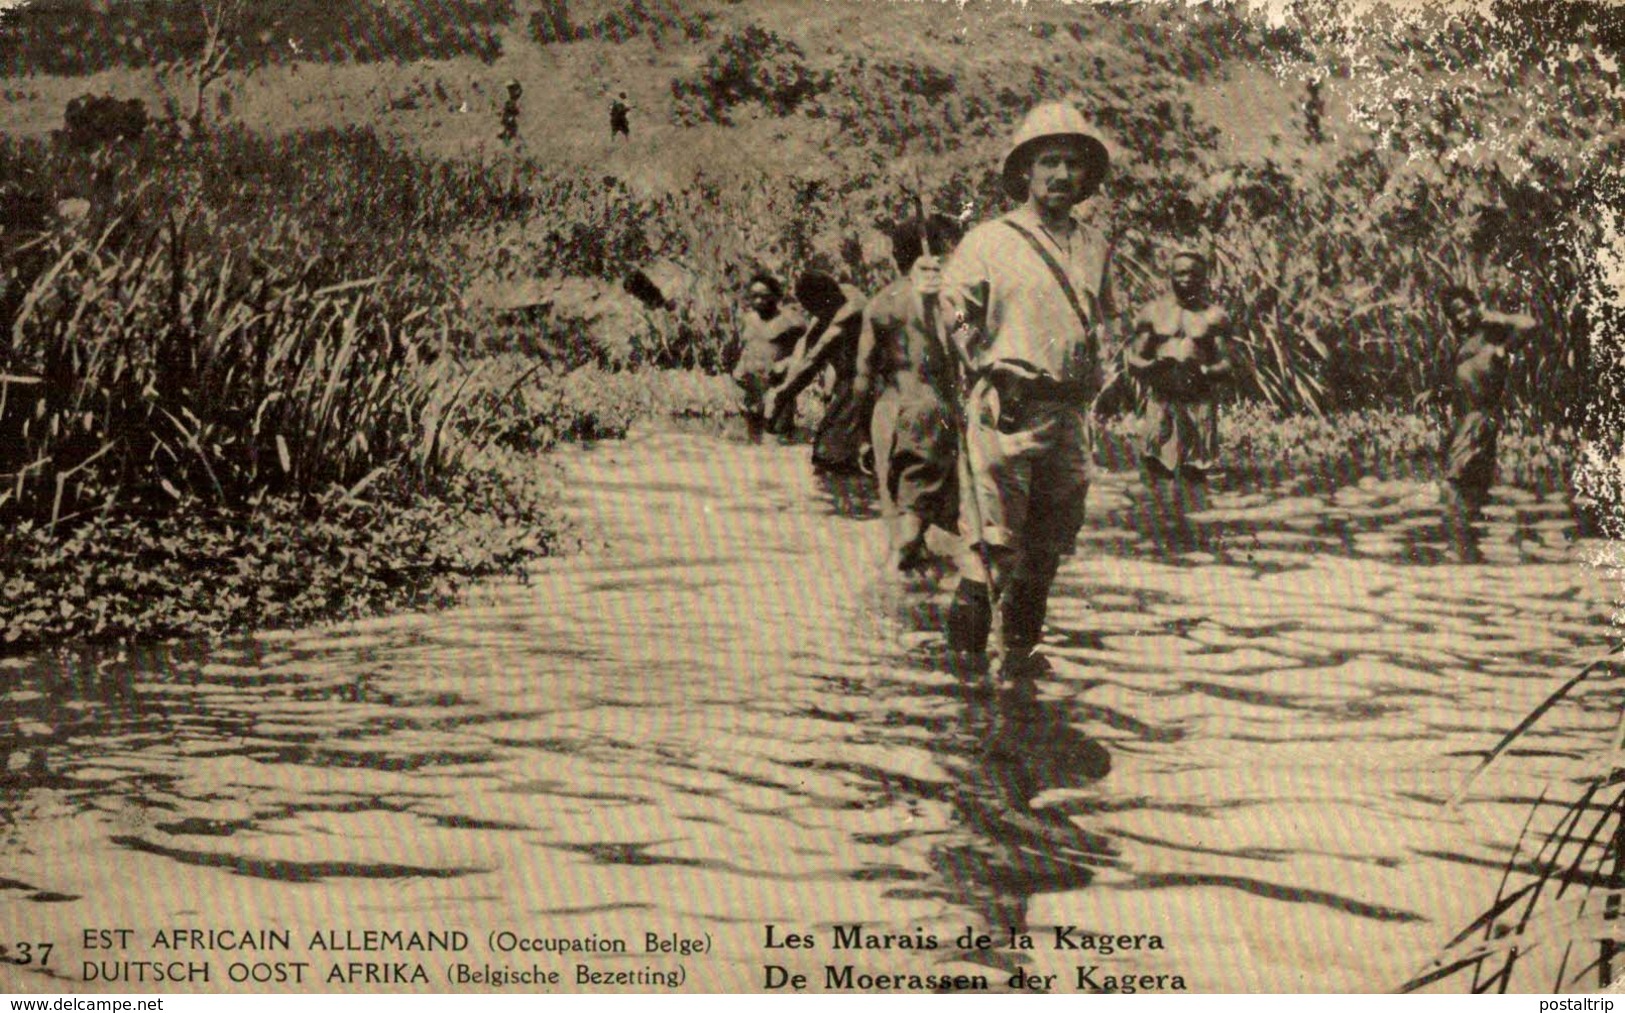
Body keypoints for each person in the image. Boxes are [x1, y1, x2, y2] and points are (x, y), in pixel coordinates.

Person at [932, 101, 1115, 685]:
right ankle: (963, 679)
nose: (1061, 175)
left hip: (1067, 414)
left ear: (1086, 175)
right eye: (1049, 162)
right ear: (1026, 172)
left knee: (1046, 551)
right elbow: (954, 311)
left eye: (1072, 164)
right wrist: (978, 355)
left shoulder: (1093, 243)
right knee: (992, 549)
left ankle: (1018, 667)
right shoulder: (990, 240)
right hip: (1007, 410)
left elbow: (1100, 319)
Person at [856, 212, 965, 572]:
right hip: (929, 410)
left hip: (886, 413)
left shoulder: (879, 303)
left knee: (899, 516)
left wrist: (862, 436)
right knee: (914, 530)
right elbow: (970, 348)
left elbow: (863, 375)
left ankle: (909, 607)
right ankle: (890, 598)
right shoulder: (944, 303)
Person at [1127, 250, 1232, 487]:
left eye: (1195, 274)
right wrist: (1154, 365)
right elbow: (1134, 361)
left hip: (1198, 403)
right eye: (1182, 272)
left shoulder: (1214, 317)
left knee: (1196, 476)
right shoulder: (1152, 313)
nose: (1188, 278)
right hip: (1161, 402)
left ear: (1204, 278)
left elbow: (1227, 364)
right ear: (1171, 275)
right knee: (1155, 474)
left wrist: (1204, 370)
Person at [1439, 285, 1536, 526]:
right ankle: (1472, 548)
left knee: (1451, 484)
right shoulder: (1468, 343)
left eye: (1463, 310)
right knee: (1474, 486)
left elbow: (1529, 324)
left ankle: (1458, 537)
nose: (1460, 317)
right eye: (1454, 314)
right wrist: (1438, 393)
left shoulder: (1493, 336)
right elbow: (1465, 382)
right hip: (1471, 421)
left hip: (1478, 420)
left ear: (1475, 306)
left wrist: (1493, 316)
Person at [767, 274, 869, 473]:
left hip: (864, 386)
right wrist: (785, 387)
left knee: (829, 457)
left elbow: (817, 356)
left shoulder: (851, 309)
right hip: (850, 386)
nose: (813, 314)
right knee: (825, 455)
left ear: (824, 299)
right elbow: (805, 343)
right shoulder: (835, 299)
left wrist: (783, 394)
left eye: (813, 308)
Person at [731, 272, 808, 442]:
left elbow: (812, 349)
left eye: (764, 296)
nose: (758, 301)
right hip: (752, 391)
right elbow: (747, 347)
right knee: (753, 447)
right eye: (754, 296)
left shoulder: (791, 320)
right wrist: (739, 367)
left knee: (776, 443)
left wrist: (788, 363)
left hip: (777, 391)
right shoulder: (747, 319)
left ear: (776, 295)